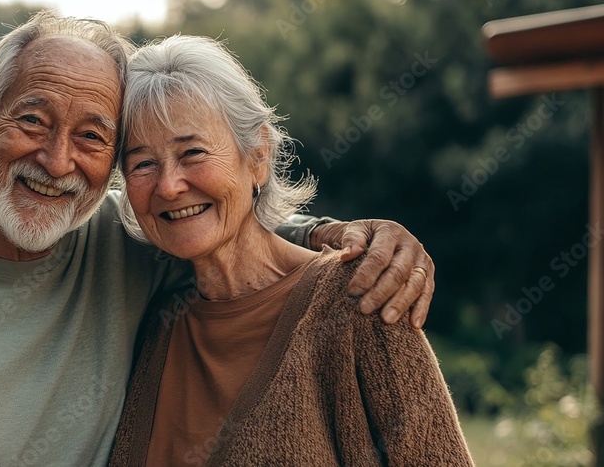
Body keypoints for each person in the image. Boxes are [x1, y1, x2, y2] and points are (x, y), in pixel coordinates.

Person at [0, 13, 438, 466]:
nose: (58, 161)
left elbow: (221, 228)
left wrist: (340, 234)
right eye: (32, 121)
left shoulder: (131, 248)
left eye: (93, 137)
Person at [107, 35, 471, 466]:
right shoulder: (157, 324)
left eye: (193, 152)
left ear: (258, 156)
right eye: (143, 163)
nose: (168, 185)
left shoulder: (362, 297)